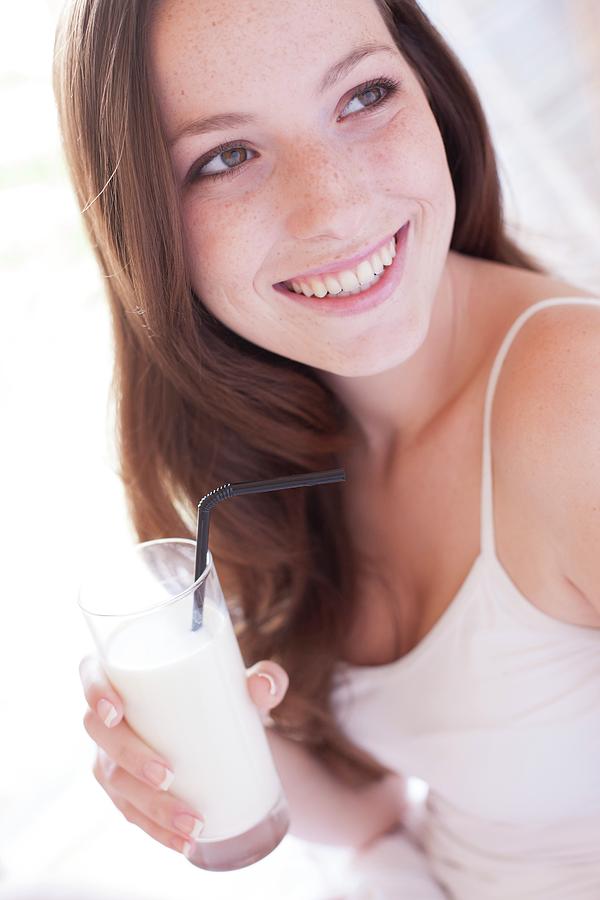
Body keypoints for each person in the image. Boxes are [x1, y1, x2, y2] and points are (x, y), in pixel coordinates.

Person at [53, 1, 600, 897]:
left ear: (432, 91)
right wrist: (200, 747)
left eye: (364, 94)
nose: (334, 206)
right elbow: (371, 814)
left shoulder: (581, 408)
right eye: (226, 156)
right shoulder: (284, 447)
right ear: (146, 226)